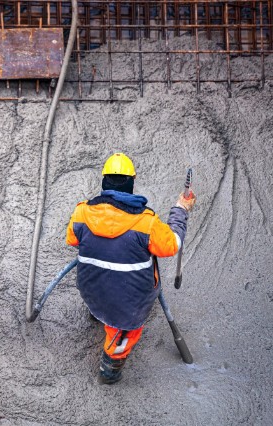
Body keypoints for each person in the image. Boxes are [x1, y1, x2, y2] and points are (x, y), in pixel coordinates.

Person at [65, 153, 196, 384]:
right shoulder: (147, 223)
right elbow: (173, 244)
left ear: (105, 181)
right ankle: (110, 370)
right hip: (129, 302)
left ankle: (98, 314)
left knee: (101, 299)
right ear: (131, 183)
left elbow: (73, 240)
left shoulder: (82, 213)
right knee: (125, 333)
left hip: (91, 289)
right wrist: (181, 210)